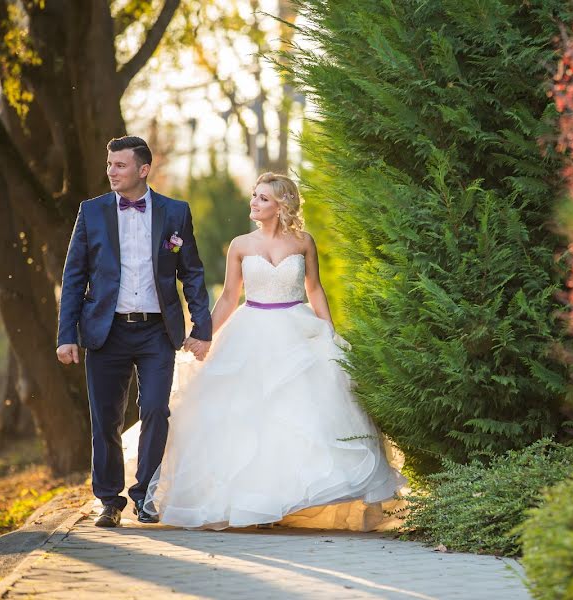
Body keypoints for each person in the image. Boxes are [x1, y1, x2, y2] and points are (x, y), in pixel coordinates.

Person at [125, 172, 405, 530]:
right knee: (248, 418)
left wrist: (328, 331)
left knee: (297, 415)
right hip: (251, 330)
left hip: (296, 329)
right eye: (254, 196)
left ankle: (288, 499)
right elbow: (229, 296)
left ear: (282, 205)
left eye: (263, 199)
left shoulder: (304, 242)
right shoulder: (240, 245)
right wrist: (204, 334)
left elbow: (315, 289)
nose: (253, 203)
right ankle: (251, 502)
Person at [56, 135, 212, 528]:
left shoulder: (175, 212)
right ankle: (109, 500)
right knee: (105, 418)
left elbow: (191, 272)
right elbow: (74, 277)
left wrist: (202, 326)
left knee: (157, 409)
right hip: (105, 331)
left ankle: (145, 494)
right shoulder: (90, 213)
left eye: (120, 165)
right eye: (109, 164)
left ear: (143, 169)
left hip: (158, 331)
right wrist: (66, 335)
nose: (111, 171)